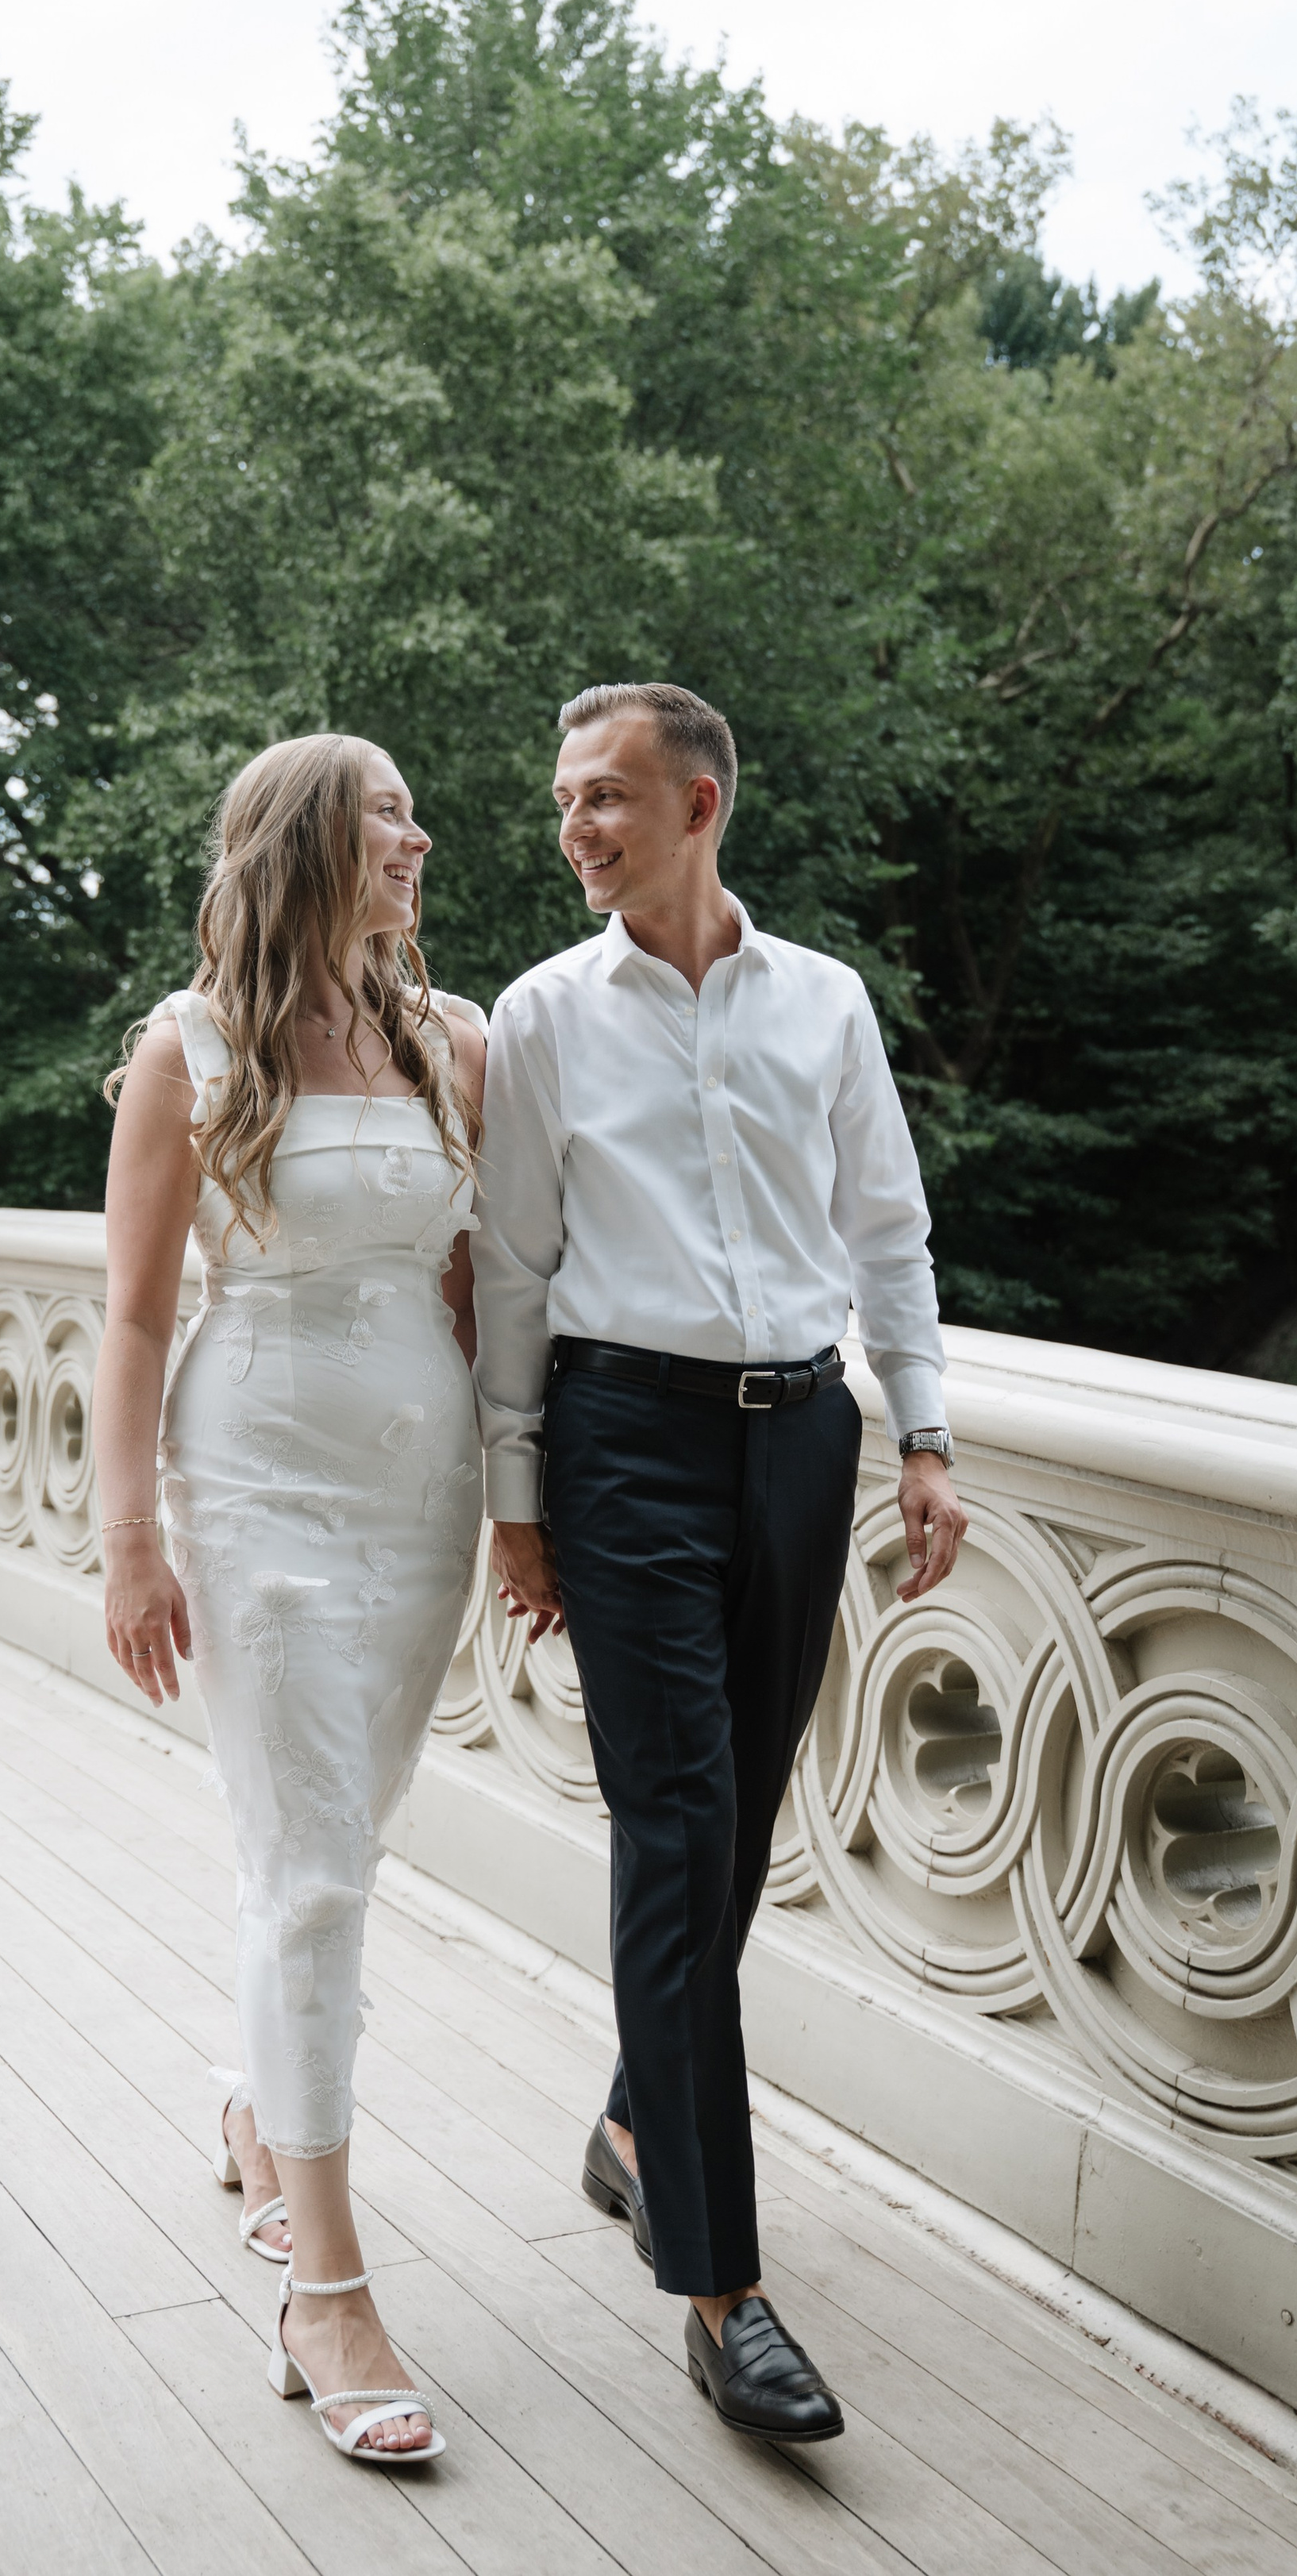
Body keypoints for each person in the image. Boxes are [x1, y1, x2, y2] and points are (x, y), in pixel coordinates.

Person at [472, 681, 967, 2444]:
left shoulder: (822, 1001)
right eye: (560, 803)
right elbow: (515, 1268)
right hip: (620, 1441)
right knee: (676, 1831)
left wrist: (919, 1434)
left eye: (603, 798)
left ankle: (628, 2120)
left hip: (798, 1440)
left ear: (698, 802)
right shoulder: (541, 1016)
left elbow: (887, 1227)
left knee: (740, 1816)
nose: (572, 829)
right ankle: (717, 2285)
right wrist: (515, 1493)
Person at [94, 734, 486, 2466]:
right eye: (387, 813)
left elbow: (491, 1285)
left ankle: (263, 2108)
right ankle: (326, 2288)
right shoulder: (188, 1052)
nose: (419, 835)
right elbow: (127, 1314)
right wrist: (128, 1540)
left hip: (427, 1503)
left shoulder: (451, 1040)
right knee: (314, 1865)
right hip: (252, 1489)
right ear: (309, 844)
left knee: (342, 1837)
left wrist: (534, 1508)